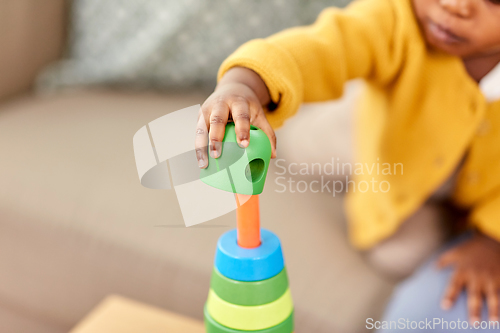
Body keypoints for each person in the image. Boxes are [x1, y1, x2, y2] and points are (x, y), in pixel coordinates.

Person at [194, 0, 500, 324]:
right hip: (377, 142)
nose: (455, 5)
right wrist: (243, 85)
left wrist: (492, 239)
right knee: (302, 148)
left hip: (466, 179)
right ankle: (332, 114)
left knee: (408, 255)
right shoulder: (395, 19)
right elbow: (319, 48)